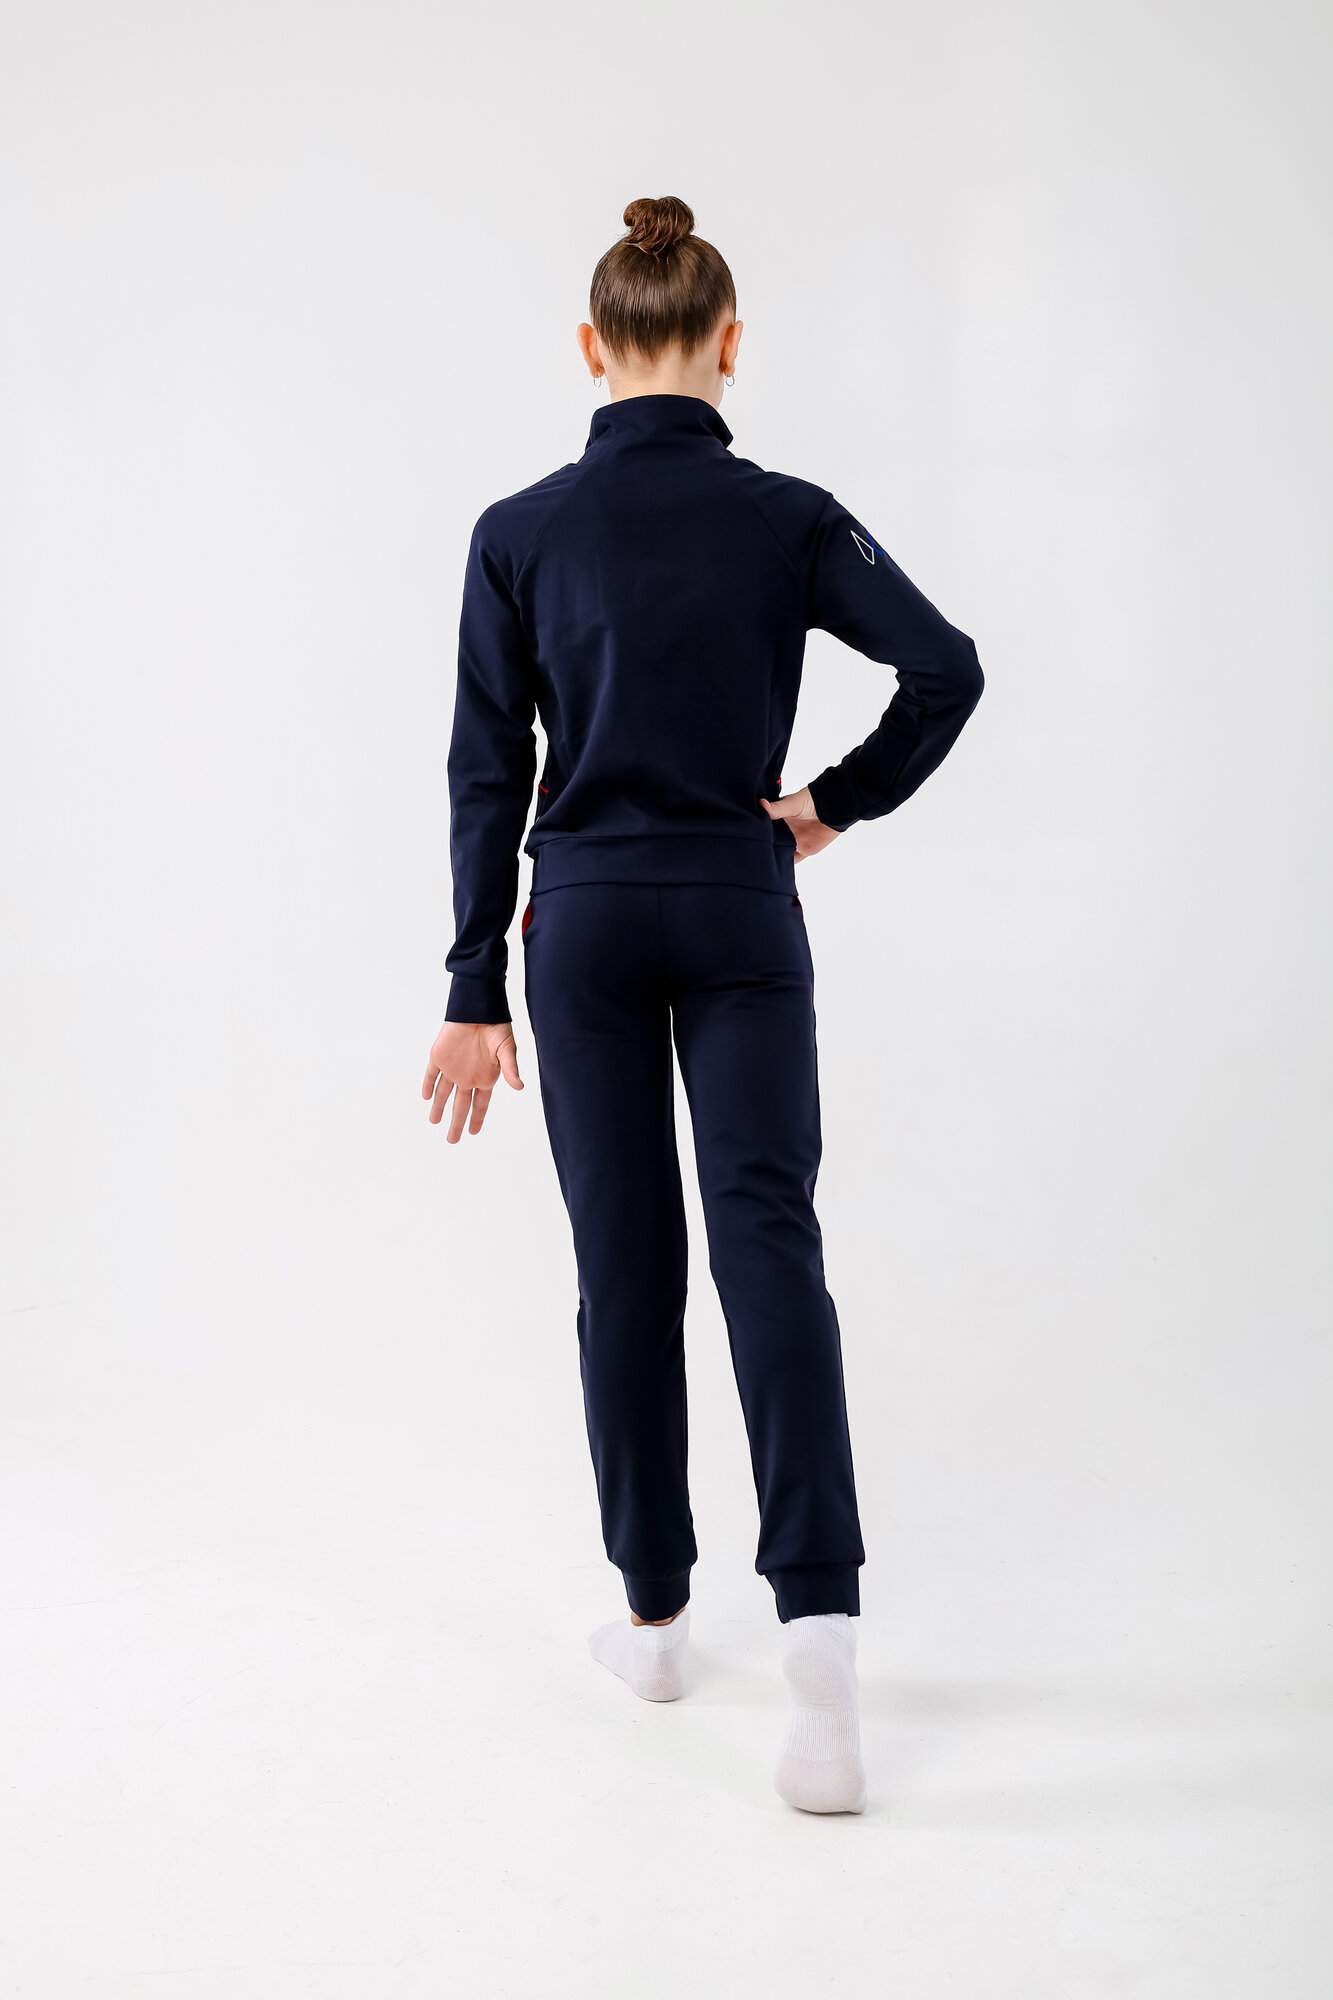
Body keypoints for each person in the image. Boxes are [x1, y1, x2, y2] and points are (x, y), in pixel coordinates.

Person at [422, 196, 983, 1815]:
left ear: (588, 350)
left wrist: (471, 982)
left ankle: (656, 1622)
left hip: (583, 927)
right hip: (741, 909)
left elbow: (487, 771)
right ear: (730, 345)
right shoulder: (789, 517)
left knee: (626, 1270)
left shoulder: (517, 532)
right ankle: (819, 1660)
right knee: (767, 1251)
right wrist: (828, 805)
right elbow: (944, 668)